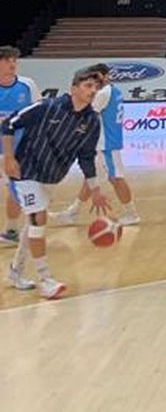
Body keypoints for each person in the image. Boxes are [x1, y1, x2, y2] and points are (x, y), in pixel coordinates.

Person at [3, 66, 112, 299]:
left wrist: (95, 190)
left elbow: (86, 158)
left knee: (33, 226)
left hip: (51, 176)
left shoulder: (92, 121)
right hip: (25, 171)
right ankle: (46, 280)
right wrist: (9, 157)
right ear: (73, 88)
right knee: (38, 218)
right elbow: (10, 123)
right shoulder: (46, 107)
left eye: (96, 87)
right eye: (88, 86)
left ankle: (15, 272)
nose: (93, 91)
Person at [55, 64, 139, 227]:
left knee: (116, 178)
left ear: (105, 76)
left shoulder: (103, 93)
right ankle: (72, 212)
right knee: (91, 177)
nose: (94, 80)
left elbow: (86, 111)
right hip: (103, 141)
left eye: (96, 76)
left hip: (106, 142)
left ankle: (131, 213)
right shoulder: (113, 90)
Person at [0, 46, 36, 245]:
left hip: (19, 150)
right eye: (7, 60)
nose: (12, 64)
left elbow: (39, 112)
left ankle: (12, 231)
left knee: (15, 189)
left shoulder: (27, 85)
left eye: (15, 60)